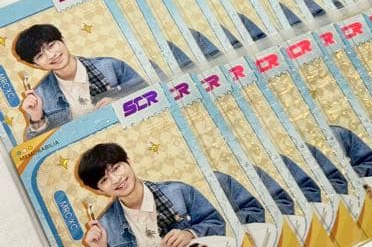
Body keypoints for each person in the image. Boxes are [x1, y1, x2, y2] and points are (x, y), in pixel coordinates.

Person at [78, 141, 264, 246]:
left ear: (128, 161)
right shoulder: (106, 227)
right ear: (99, 190)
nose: (116, 179)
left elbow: (216, 223)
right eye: (104, 180)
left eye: (117, 168)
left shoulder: (178, 192)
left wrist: (190, 233)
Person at [13, 24, 145, 140]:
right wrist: (36, 118)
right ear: (35, 65)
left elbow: (148, 91)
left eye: (51, 45)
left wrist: (120, 102)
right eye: (40, 55)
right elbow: (38, 147)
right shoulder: (40, 95)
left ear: (62, 40)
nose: (51, 55)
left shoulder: (110, 66)